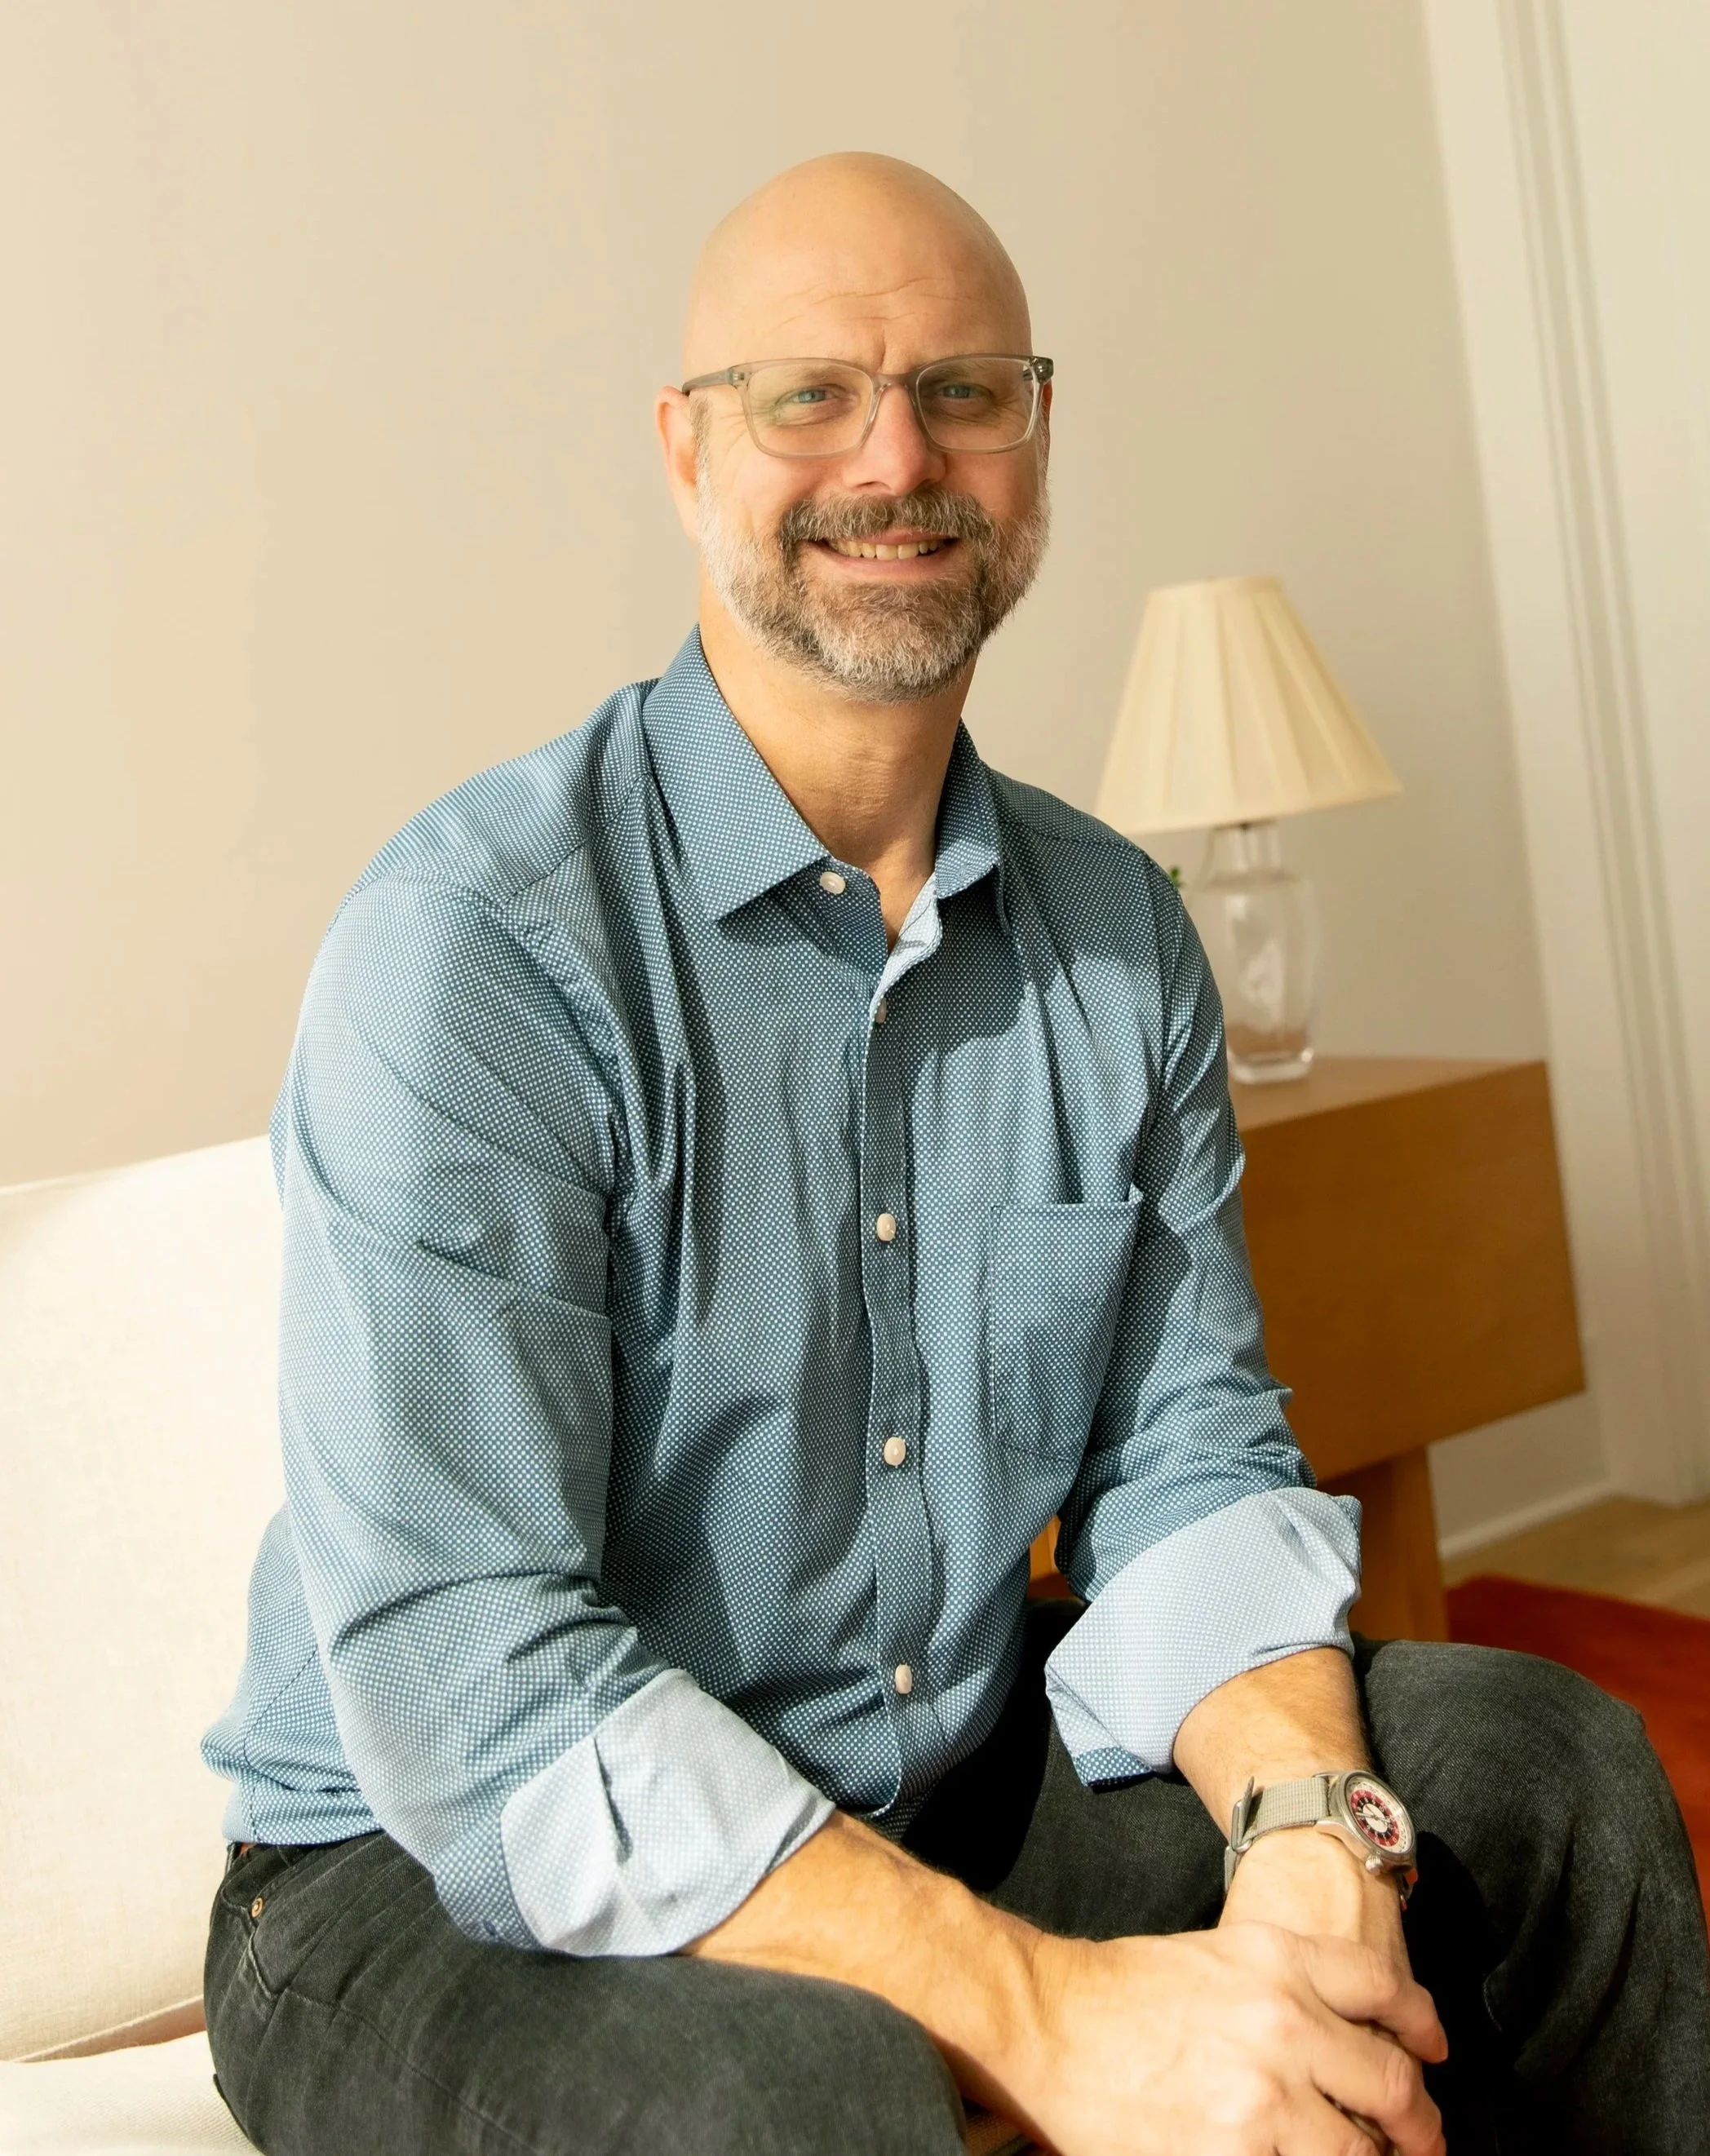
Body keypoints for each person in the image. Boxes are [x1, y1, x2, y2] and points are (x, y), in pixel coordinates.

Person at [202, 153, 1709, 2156]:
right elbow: (472, 1676)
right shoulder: (477, 950)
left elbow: (1188, 1465)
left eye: (965, 390)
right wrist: (1053, 2015)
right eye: (807, 394)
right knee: (797, 2087)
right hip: (424, 1880)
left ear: (1036, 439)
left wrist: (1298, 1837)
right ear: (685, 450)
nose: (894, 455)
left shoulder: (1117, 933)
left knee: (1538, 1768)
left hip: (933, 1775)